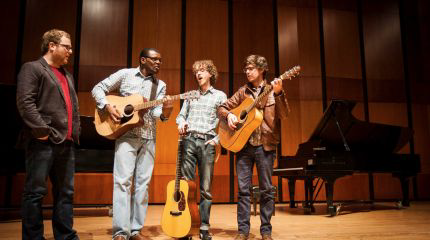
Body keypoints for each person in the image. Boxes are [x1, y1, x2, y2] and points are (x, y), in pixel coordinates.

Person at [91, 48, 173, 240]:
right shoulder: (125, 75)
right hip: (126, 135)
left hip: (149, 137)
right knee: (122, 182)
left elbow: (155, 113)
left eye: (161, 60)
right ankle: (121, 232)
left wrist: (166, 112)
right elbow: (98, 88)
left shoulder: (160, 85)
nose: (159, 63)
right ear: (143, 60)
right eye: (155, 60)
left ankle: (135, 230)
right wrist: (107, 105)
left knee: (142, 186)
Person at [16, 29, 80, 240]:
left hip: (66, 142)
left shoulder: (67, 74)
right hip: (42, 142)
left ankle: (65, 236)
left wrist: (75, 132)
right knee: (35, 193)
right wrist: (42, 131)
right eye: (67, 46)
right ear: (52, 46)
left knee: (65, 193)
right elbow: (25, 103)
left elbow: (72, 108)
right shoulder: (33, 68)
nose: (70, 50)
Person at [217, 55, 290, 240]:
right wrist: (229, 117)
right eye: (246, 69)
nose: (247, 72)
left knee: (266, 190)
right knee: (243, 190)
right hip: (244, 146)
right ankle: (243, 231)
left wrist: (280, 92)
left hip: (265, 146)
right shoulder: (243, 91)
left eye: (251, 68)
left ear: (262, 69)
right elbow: (222, 108)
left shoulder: (273, 90)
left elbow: (284, 114)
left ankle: (266, 231)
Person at [176, 60, 227, 240]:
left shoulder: (220, 96)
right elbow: (181, 115)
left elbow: (225, 122)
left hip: (207, 143)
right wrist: (181, 122)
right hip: (189, 140)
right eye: (196, 71)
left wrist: (217, 140)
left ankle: (204, 226)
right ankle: (186, 225)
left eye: (202, 70)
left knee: (205, 189)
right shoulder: (191, 95)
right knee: (186, 187)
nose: (198, 73)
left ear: (210, 74)